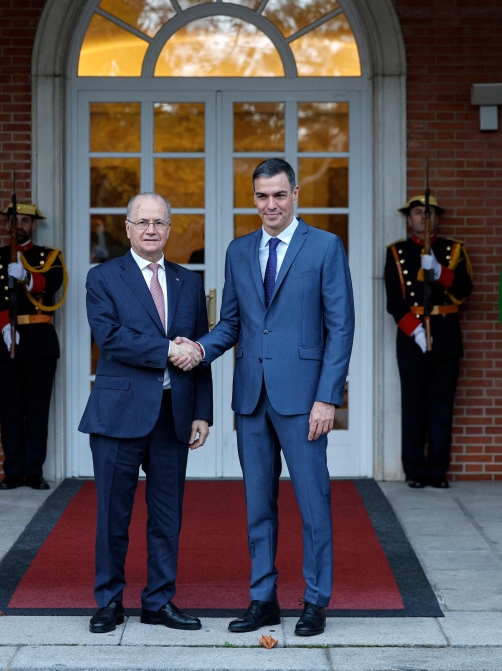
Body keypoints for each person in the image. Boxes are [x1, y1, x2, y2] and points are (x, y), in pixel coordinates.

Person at [174, 158, 355, 637]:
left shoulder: (326, 247)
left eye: (278, 194)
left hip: (304, 400)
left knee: (314, 503)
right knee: (258, 504)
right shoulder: (238, 251)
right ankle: (264, 598)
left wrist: (328, 397)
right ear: (253, 198)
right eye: (261, 196)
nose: (270, 204)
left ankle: (316, 600)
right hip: (251, 398)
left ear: (295, 194)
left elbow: (341, 327)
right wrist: (198, 349)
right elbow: (231, 324)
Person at [80, 192, 213, 634]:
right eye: (143, 222)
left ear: (170, 228)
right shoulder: (103, 277)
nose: (151, 229)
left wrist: (202, 412)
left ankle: (159, 601)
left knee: (166, 516)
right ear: (128, 228)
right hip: (118, 414)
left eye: (159, 222)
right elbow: (110, 337)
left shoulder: (188, 281)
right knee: (112, 515)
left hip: (174, 414)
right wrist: (165, 349)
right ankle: (109, 601)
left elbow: (199, 352)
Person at [385, 196, 473, 489]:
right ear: (409, 219)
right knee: (413, 406)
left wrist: (439, 271)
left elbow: (464, 290)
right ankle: (413, 471)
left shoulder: (453, 250)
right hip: (412, 338)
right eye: (418, 213)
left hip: (446, 334)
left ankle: (437, 471)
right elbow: (394, 302)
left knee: (441, 407)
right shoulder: (396, 252)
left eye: (430, 213)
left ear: (437, 218)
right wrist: (416, 330)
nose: (424, 218)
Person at [0, 202, 66, 491]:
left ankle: (34, 472)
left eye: (25, 220)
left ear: (33, 225)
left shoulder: (49, 256)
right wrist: (5, 327)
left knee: (38, 410)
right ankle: (13, 471)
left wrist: (28, 277)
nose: (19, 224)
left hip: (40, 341)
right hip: (7, 341)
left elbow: (53, 282)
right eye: (14, 220)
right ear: (7, 225)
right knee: (10, 410)